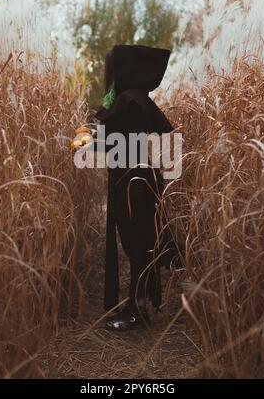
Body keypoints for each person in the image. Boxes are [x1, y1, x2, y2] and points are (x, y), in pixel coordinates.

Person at [93, 45, 176, 331]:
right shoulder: (137, 100)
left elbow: (123, 148)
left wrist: (93, 144)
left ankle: (136, 313)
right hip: (138, 180)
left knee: (137, 247)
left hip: (132, 183)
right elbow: (128, 143)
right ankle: (137, 306)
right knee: (140, 245)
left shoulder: (129, 101)